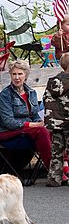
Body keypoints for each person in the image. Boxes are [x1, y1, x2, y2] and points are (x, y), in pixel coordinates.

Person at [0, 59, 52, 172]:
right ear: (10, 75)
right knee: (41, 131)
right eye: (14, 74)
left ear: (25, 75)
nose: (17, 77)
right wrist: (33, 125)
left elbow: (35, 114)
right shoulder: (5, 95)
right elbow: (9, 122)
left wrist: (40, 123)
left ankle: (64, 165)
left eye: (20, 74)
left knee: (55, 129)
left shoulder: (31, 92)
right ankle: (53, 170)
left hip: (28, 130)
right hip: (7, 132)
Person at [43, 53, 69, 187]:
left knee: (56, 152)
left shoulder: (52, 82)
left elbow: (46, 101)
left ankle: (54, 179)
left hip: (55, 123)